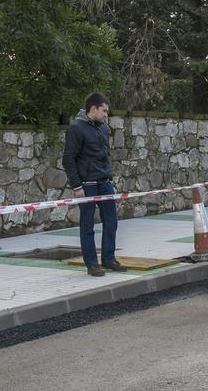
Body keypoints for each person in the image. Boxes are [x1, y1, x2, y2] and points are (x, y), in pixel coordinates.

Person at [63, 93, 126, 277]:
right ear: (93, 109)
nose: (106, 114)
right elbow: (68, 159)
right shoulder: (76, 129)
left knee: (111, 221)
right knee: (87, 224)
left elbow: (105, 155)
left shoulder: (103, 129)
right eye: (104, 111)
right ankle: (91, 263)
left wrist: (109, 177)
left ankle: (109, 258)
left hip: (104, 182)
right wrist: (77, 186)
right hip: (87, 184)